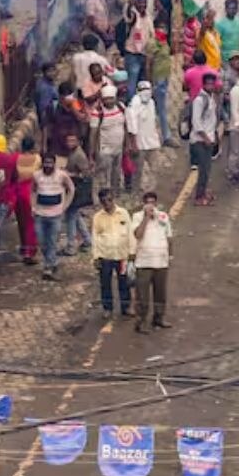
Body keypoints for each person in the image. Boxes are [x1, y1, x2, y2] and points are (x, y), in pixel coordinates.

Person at [131, 191, 173, 332]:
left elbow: (169, 237)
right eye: (148, 202)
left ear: (156, 203)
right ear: (144, 204)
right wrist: (146, 218)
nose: (151, 205)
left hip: (161, 261)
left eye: (153, 202)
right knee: (142, 295)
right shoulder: (137, 217)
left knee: (160, 293)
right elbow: (138, 234)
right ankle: (141, 322)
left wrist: (170, 256)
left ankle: (159, 318)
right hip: (144, 262)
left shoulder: (163, 216)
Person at [31, 152, 74, 281]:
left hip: (56, 214)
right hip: (40, 213)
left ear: (54, 164)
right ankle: (52, 261)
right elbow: (32, 191)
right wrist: (32, 206)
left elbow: (71, 189)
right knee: (41, 240)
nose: (48, 165)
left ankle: (48, 267)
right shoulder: (36, 175)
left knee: (52, 240)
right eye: (46, 162)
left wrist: (65, 205)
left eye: (50, 163)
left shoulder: (62, 175)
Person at [91, 189, 132, 319]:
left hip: (122, 255)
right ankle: (107, 308)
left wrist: (132, 252)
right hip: (105, 256)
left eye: (109, 200)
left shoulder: (123, 213)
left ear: (113, 198)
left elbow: (130, 233)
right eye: (104, 201)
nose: (107, 203)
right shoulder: (98, 217)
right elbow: (95, 238)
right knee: (105, 283)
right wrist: (96, 257)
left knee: (124, 282)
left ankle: (126, 307)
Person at [125, 80, 163, 194]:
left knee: (154, 168)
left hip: (152, 141)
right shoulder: (133, 105)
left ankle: (151, 191)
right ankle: (135, 193)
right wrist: (133, 144)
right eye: (143, 90)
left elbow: (153, 121)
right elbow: (131, 127)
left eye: (148, 90)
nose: (146, 93)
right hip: (139, 143)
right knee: (138, 171)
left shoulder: (151, 102)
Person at [190, 72, 219, 206]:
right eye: (208, 83)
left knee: (207, 169)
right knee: (203, 170)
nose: (210, 86)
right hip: (200, 140)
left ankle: (203, 192)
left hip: (209, 138)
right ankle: (199, 197)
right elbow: (196, 122)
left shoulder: (211, 98)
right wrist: (206, 138)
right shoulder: (200, 100)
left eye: (212, 83)